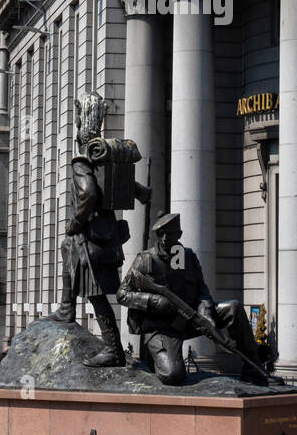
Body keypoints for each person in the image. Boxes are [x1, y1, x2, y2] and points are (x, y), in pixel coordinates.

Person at [53, 92, 149, 369]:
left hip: (90, 238)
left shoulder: (83, 161)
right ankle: (67, 307)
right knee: (69, 252)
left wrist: (76, 222)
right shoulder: (107, 160)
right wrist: (145, 193)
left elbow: (89, 194)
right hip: (109, 238)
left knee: (95, 292)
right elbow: (137, 190)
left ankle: (111, 348)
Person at [118, 213, 267, 386]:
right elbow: (122, 293)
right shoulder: (145, 259)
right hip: (161, 328)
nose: (165, 238)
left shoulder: (188, 257)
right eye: (161, 233)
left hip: (189, 318)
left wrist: (206, 316)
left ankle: (254, 371)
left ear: (179, 235)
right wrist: (154, 301)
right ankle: (158, 358)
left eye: (170, 233)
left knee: (233, 307)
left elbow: (203, 292)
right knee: (172, 375)